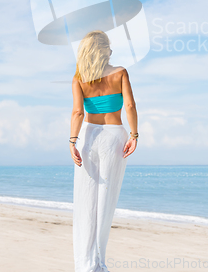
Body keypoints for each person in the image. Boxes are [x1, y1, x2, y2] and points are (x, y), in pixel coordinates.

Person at [69, 30, 138, 272]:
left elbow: (78, 112)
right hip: (114, 136)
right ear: (103, 50)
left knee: (85, 202)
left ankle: (85, 264)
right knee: (106, 200)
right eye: (108, 47)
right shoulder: (120, 73)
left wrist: (72, 141)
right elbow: (129, 105)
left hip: (88, 137)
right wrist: (134, 134)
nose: (111, 51)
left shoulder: (79, 78)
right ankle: (99, 262)